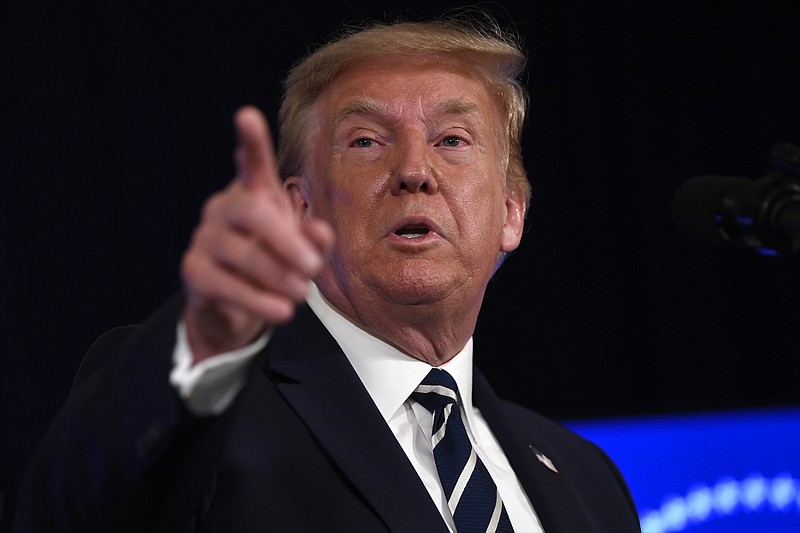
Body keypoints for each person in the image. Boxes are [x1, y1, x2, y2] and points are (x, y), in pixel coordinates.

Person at [14, 8, 641, 533]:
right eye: (366, 141)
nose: (414, 170)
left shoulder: (588, 480)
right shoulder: (206, 405)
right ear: (299, 208)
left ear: (512, 212)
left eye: (452, 139)